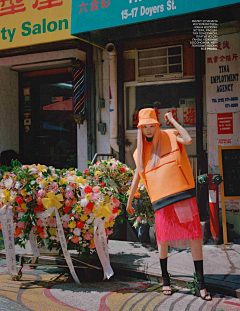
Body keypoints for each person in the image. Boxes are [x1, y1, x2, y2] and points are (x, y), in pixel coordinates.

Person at [126, 108, 211, 300]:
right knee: (162, 240)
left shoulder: (171, 135)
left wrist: (172, 120)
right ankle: (165, 279)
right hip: (161, 199)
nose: (148, 130)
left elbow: (188, 140)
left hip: (182, 194)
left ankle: (202, 283)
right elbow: (136, 177)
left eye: (151, 126)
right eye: (144, 127)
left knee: (194, 237)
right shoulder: (139, 152)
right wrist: (129, 200)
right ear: (140, 129)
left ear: (157, 124)